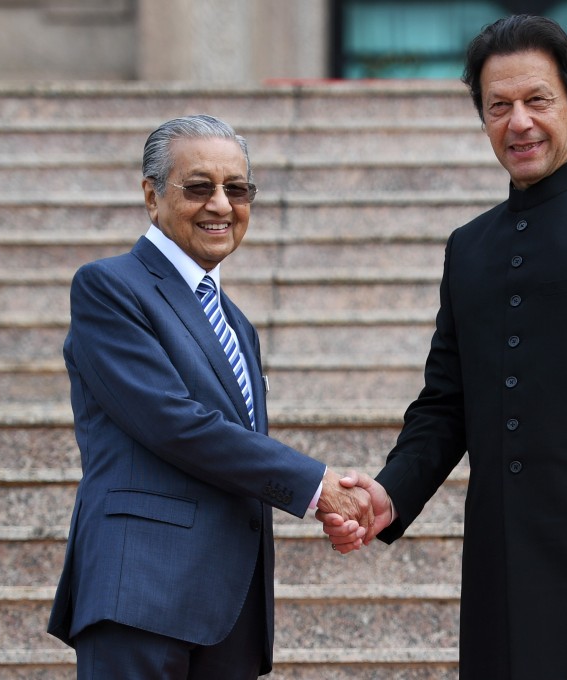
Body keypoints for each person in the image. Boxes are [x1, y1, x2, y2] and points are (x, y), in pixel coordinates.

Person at [320, 15, 567, 679]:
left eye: (537, 100)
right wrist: (392, 494)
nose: (519, 123)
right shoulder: (470, 246)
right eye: (497, 107)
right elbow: (446, 402)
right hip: (505, 567)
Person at [47, 114, 373, 679]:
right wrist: (315, 487)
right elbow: (175, 422)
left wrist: (323, 498)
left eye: (237, 189)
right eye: (199, 188)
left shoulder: (236, 323)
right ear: (152, 197)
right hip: (140, 595)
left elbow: (236, 450)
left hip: (226, 608)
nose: (221, 205)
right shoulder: (109, 287)